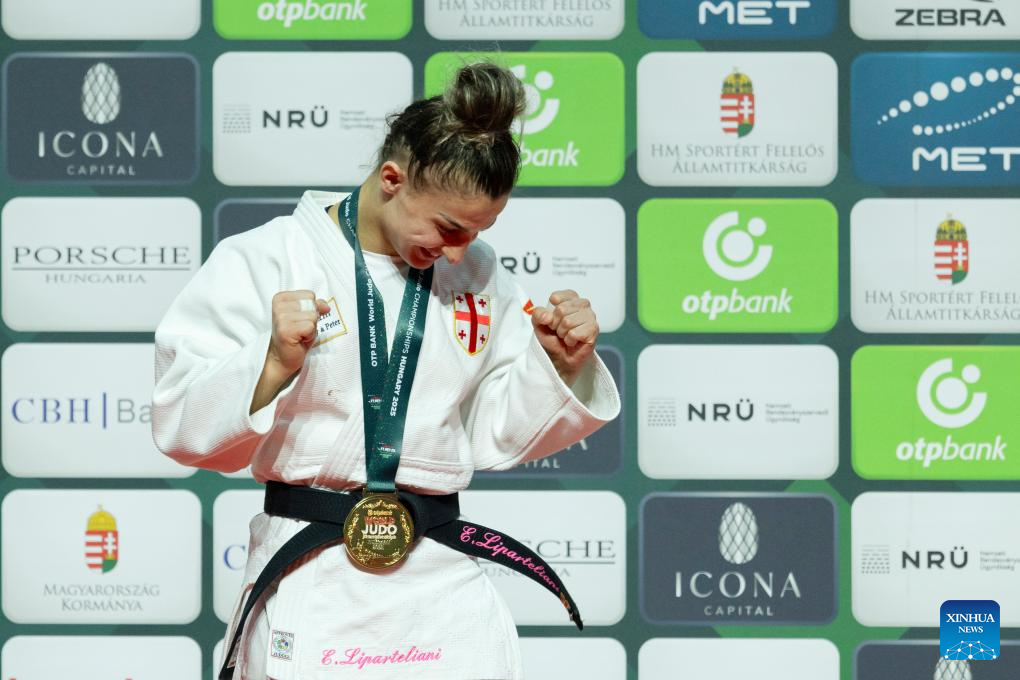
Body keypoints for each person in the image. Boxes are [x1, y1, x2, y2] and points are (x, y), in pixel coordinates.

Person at [151, 61, 620, 680]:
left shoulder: (476, 274)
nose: (459, 249)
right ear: (393, 179)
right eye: (448, 227)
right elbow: (180, 426)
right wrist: (271, 363)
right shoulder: (267, 258)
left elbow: (493, 433)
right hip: (313, 568)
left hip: (437, 578)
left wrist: (557, 363)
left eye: (480, 230)